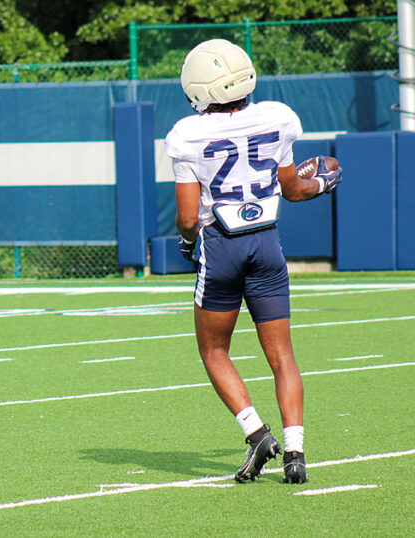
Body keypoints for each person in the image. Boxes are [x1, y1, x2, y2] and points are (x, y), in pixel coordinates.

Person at [167, 39, 342, 485]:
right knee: (282, 355)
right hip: (266, 242)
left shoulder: (187, 134)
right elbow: (294, 189)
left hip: (221, 244)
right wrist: (320, 183)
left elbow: (189, 218)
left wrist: (189, 243)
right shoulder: (277, 118)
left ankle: (257, 433)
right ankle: (297, 452)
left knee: (214, 350)